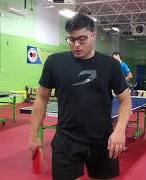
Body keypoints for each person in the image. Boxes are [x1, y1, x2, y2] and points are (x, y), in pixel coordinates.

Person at [30, 13, 132, 180]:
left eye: (82, 39)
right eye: (71, 39)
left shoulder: (111, 65)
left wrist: (119, 130)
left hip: (102, 140)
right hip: (66, 140)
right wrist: (34, 135)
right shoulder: (54, 62)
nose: (76, 44)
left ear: (93, 36)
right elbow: (42, 97)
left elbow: (125, 100)